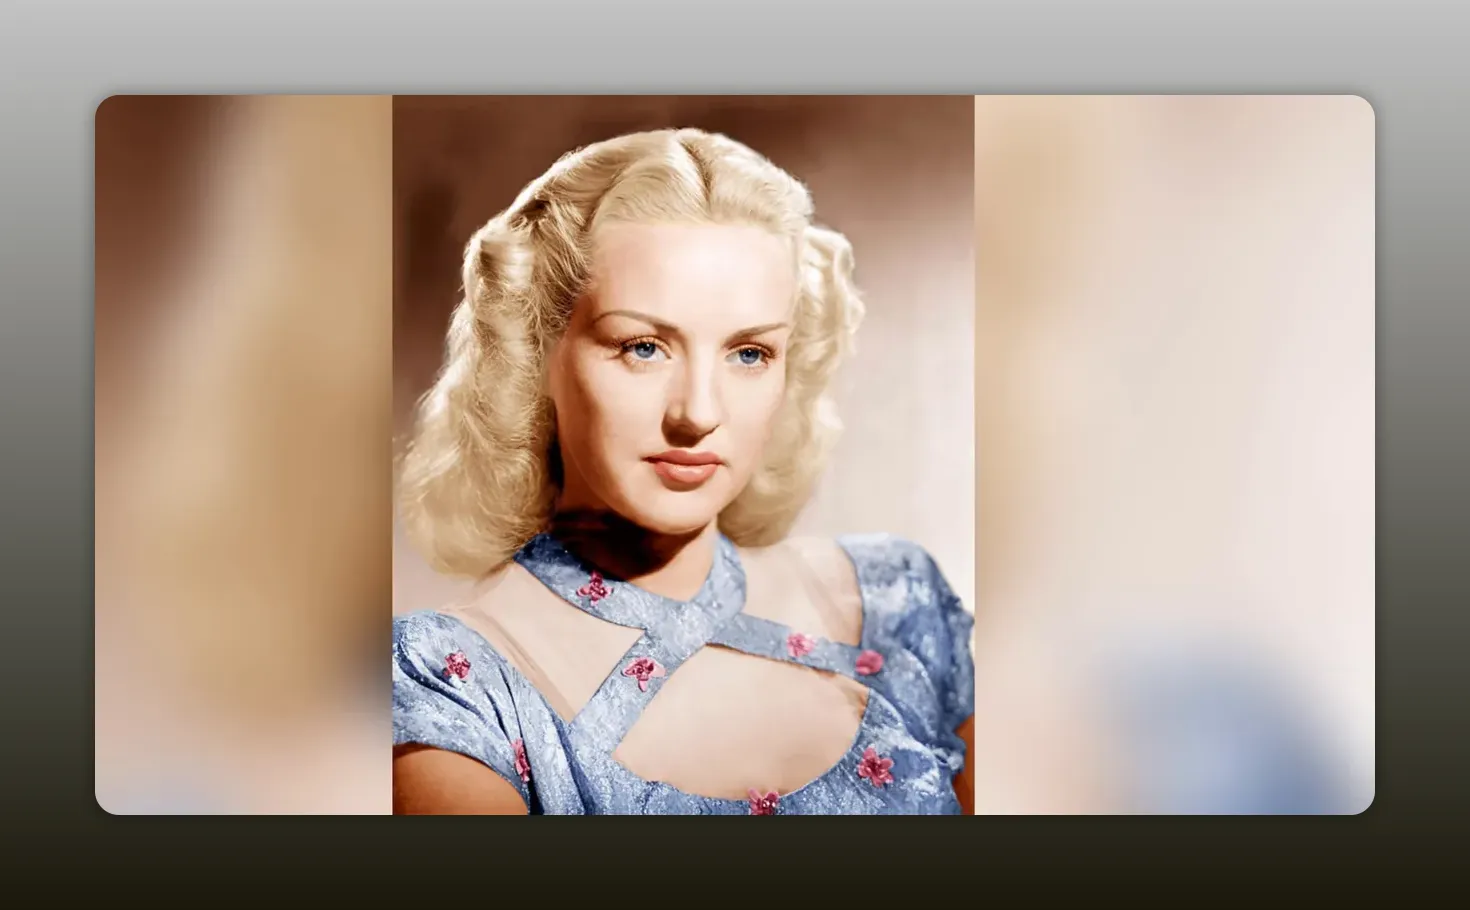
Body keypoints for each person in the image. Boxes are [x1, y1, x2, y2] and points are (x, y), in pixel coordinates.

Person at [391, 127, 974, 815]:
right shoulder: (456, 687)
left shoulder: (893, 605)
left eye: (750, 354)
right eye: (643, 347)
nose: (697, 413)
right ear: (538, 349)